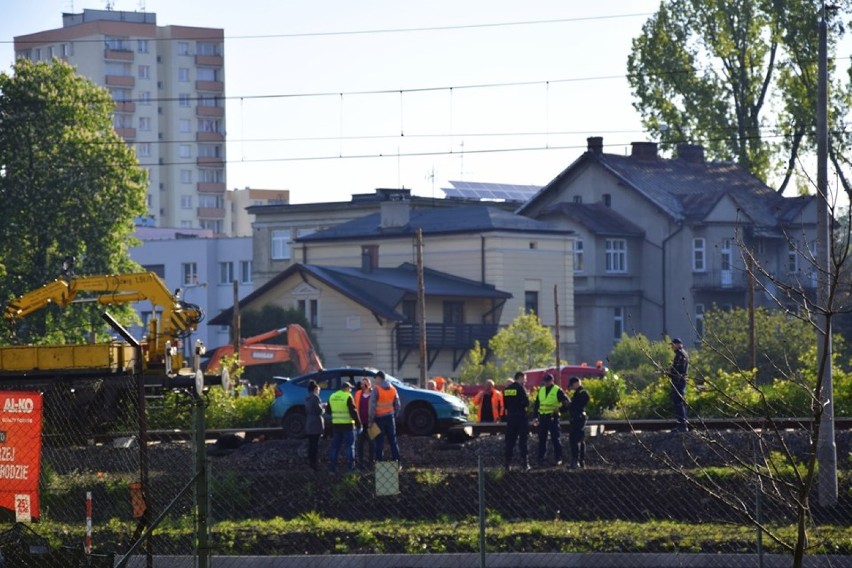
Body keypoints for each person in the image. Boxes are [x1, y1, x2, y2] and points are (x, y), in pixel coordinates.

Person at [532, 373, 570, 466]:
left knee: (555, 438)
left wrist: (560, 410)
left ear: (552, 380)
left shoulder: (557, 390)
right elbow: (537, 404)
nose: (546, 383)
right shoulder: (541, 390)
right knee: (542, 439)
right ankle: (541, 459)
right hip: (543, 417)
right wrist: (535, 417)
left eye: (548, 381)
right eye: (545, 381)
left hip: (552, 417)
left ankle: (558, 458)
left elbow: (567, 403)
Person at [369, 370, 401, 468]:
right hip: (390, 418)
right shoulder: (393, 389)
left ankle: (379, 464)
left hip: (379, 419)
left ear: (379, 378)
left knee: (379, 441)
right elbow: (398, 405)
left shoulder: (376, 389)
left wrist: (371, 420)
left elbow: (372, 406)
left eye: (376, 379)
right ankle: (398, 462)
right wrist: (394, 415)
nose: (375, 381)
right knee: (393, 441)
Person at [327, 381, 361, 473]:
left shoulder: (332, 396)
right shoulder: (347, 396)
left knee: (335, 447)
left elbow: (328, 411)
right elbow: (353, 412)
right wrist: (359, 425)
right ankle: (351, 469)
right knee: (349, 447)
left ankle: (332, 469)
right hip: (347, 425)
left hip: (336, 426)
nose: (350, 390)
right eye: (350, 389)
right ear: (346, 388)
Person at [502, 371, 530, 471]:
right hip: (521, 418)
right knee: (523, 441)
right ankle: (525, 464)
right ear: (520, 378)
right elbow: (526, 403)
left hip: (511, 418)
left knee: (510, 441)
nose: (525, 381)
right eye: (524, 379)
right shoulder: (521, 388)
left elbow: (505, 405)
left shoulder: (507, 390)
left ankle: (507, 464)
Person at [566, 376, 590, 469]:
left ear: (576, 383)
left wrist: (571, 405)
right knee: (579, 439)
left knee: (575, 439)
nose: (571, 388)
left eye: (572, 385)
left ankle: (577, 460)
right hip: (576, 418)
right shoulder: (577, 393)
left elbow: (581, 402)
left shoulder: (582, 392)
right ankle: (579, 460)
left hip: (579, 418)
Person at [668, 337, 690, 432]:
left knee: (678, 402)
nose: (672, 347)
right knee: (680, 402)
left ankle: (682, 425)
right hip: (681, 380)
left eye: (673, 345)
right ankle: (683, 423)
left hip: (678, 381)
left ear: (677, 344)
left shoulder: (680, 355)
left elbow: (677, 369)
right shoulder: (683, 353)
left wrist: (669, 372)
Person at [353, 377, 374, 468]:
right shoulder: (358, 394)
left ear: (369, 385)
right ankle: (360, 462)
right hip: (360, 423)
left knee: (372, 443)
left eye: (365, 383)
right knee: (360, 443)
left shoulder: (373, 394)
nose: (363, 385)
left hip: (371, 423)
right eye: (362, 384)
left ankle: (371, 462)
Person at [304, 380, 325, 470]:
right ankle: (314, 463)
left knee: (311, 443)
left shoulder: (307, 398)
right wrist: (323, 407)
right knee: (315, 445)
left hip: (309, 423)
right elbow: (318, 410)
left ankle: (310, 461)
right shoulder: (315, 398)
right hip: (316, 424)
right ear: (315, 389)